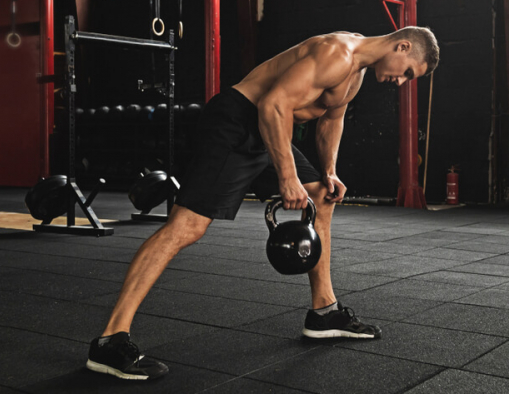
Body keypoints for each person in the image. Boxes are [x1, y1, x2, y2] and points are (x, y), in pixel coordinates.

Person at [86, 26, 440, 380]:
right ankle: (109, 342)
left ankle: (324, 312)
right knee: (187, 227)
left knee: (320, 195)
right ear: (402, 45)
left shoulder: (357, 73)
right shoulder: (337, 54)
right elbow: (273, 105)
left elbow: (332, 118)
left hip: (269, 129)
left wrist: (329, 170)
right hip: (238, 121)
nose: (403, 81)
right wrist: (287, 177)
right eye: (408, 71)